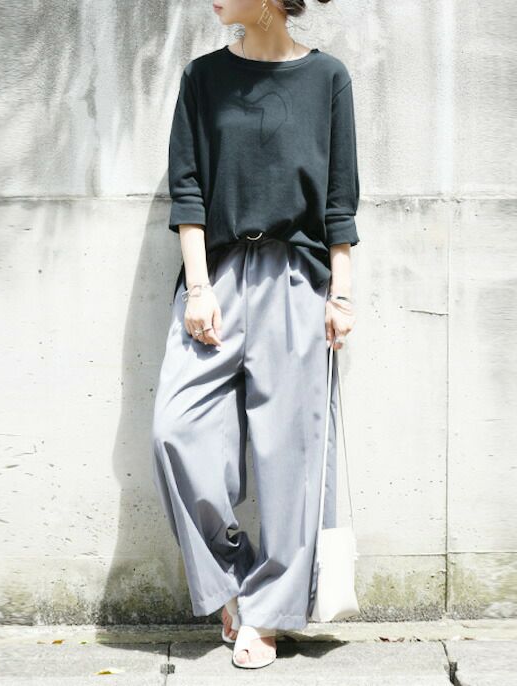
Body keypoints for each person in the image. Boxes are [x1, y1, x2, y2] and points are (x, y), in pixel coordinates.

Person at [151, 0, 359, 669]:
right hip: (216, 277)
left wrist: (342, 293)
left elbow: (340, 202)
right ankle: (233, 582)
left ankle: (267, 613)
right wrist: (199, 286)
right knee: (175, 430)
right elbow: (188, 189)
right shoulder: (203, 77)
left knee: (290, 455)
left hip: (296, 280)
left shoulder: (328, 79)